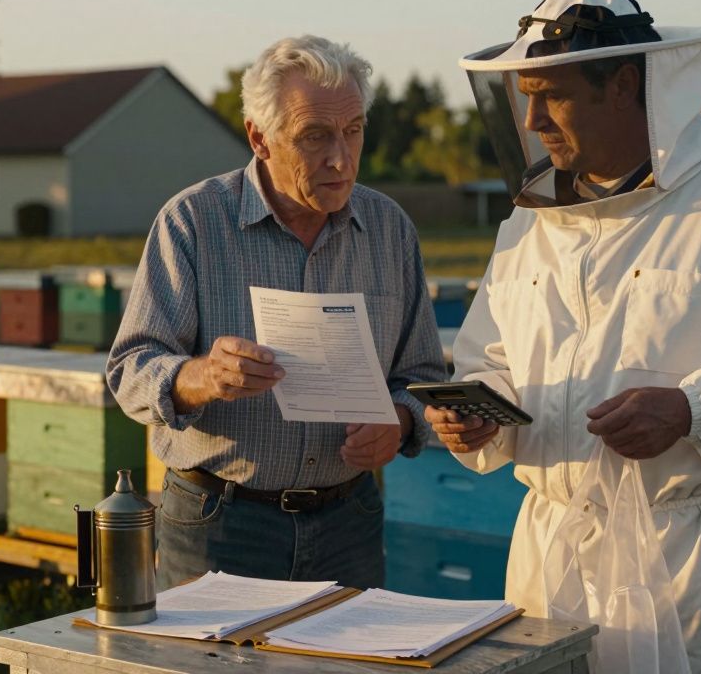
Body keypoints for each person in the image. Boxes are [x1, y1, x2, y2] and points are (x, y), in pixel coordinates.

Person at [427, 0, 701, 673]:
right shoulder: (527, 227)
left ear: (624, 85)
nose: (533, 118)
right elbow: (492, 361)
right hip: (553, 551)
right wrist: (478, 415)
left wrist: (692, 410)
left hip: (690, 563)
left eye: (553, 95)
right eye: (525, 96)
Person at [106, 35, 446, 591]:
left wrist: (401, 421)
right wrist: (203, 378)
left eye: (354, 130)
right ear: (259, 138)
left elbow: (424, 378)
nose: (341, 156)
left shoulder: (390, 230)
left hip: (349, 522)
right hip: (221, 523)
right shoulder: (192, 222)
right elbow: (129, 372)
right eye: (315, 136)